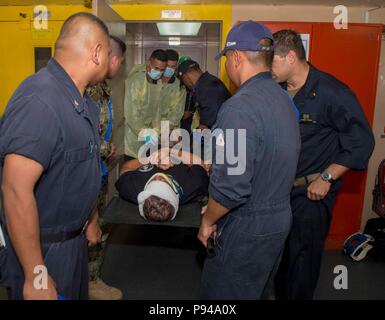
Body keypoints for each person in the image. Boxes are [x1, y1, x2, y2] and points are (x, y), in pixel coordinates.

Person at [0, 12, 110, 300]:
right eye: (109, 53)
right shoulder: (40, 100)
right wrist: (35, 273)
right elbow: (15, 189)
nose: (112, 62)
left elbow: (81, 167)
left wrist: (92, 218)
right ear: (96, 52)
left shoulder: (81, 101)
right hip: (42, 251)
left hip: (72, 243)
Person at [197, 20, 301, 300]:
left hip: (247, 226)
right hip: (279, 218)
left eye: (227, 60)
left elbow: (232, 188)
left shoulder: (239, 108)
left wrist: (209, 219)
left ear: (236, 57)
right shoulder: (285, 100)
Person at [272, 29, 375, 300]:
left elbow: (361, 141)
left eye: (272, 60)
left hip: (311, 194)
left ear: (291, 57)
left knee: (303, 262)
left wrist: (327, 178)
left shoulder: (332, 92)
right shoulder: (278, 91)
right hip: (281, 192)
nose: (268, 67)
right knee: (283, 259)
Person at [86, 35, 126, 300]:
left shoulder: (103, 88)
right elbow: (81, 135)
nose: (120, 66)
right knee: (91, 227)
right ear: (112, 58)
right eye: (121, 61)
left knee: (96, 225)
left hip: (97, 170)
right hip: (86, 172)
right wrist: (104, 148)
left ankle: (89, 278)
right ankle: (89, 281)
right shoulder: (87, 89)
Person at [115, 148, 209, 221]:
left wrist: (151, 159)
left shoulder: (130, 188)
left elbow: (126, 166)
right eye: (165, 181)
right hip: (179, 151)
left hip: (148, 150)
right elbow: (201, 164)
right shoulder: (193, 185)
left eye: (153, 181)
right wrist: (168, 151)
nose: (159, 176)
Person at [124, 49, 186, 159]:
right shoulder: (139, 80)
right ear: (149, 63)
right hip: (137, 137)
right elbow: (133, 114)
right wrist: (147, 132)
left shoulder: (170, 84)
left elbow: (170, 114)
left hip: (158, 135)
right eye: (157, 68)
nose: (160, 72)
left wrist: (156, 131)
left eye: (172, 67)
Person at [176, 59, 231, 130]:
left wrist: (193, 139)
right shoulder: (207, 82)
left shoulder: (207, 88)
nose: (186, 85)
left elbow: (205, 125)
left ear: (186, 76)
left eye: (183, 81)